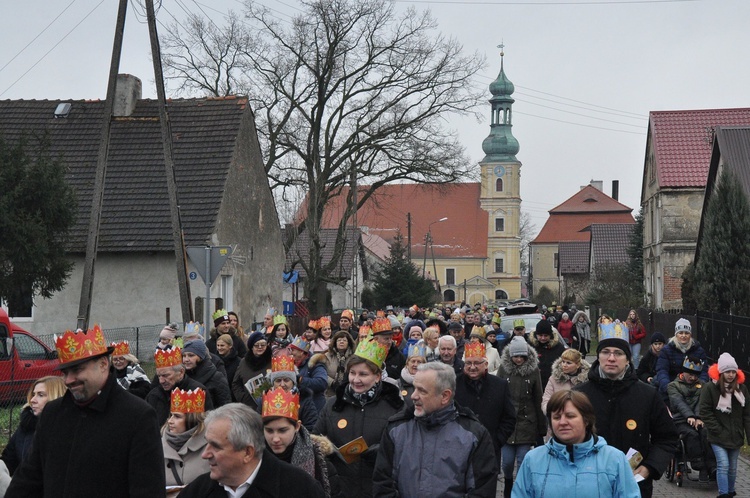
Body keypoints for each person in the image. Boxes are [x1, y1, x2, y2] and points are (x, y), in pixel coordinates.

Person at [7, 325, 166, 497]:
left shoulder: (138, 416)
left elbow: (148, 490)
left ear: (104, 364)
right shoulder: (53, 414)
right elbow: (28, 478)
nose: (68, 380)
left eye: (77, 370)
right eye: (65, 372)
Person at [574, 320, 678, 498]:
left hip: (634, 486)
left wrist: (648, 468)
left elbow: (667, 438)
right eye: (606, 352)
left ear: (628, 360)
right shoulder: (579, 396)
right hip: (587, 486)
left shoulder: (648, 395)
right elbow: (563, 440)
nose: (612, 358)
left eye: (618, 353)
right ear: (598, 357)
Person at [372, 362, 498, 497]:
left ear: (445, 396)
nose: (413, 396)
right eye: (414, 388)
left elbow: (481, 491)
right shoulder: (396, 429)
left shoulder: (473, 435)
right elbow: (383, 484)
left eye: (422, 391)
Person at [313, 334, 404, 497]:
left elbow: (405, 448)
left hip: (379, 490)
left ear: (377, 377)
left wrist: (383, 450)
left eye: (363, 374)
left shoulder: (395, 407)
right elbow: (314, 440)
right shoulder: (332, 405)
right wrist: (327, 449)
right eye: (352, 373)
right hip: (341, 490)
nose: (355, 380)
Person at [178, 403, 325, 498]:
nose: (205, 454)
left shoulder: (300, 489)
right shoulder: (196, 491)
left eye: (216, 446)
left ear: (248, 453)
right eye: (207, 444)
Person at [513, 390, 641, 498]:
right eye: (557, 417)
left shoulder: (614, 459)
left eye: (570, 416)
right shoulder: (533, 459)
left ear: (586, 420)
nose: (562, 422)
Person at [261, 388, 340, 497]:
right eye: (269, 431)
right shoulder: (253, 459)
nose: (275, 439)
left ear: (297, 426)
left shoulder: (319, 461)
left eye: (282, 430)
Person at [454, 340, 516, 474]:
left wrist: (497, 441)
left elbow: (509, 417)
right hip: (459, 450)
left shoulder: (500, 385)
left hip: (490, 450)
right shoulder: (455, 384)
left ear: (486, 364)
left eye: (477, 363)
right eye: (468, 363)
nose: (472, 367)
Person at [497, 336, 547, 498]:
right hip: (507, 423)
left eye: (522, 356)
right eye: (515, 356)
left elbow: (538, 396)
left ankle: (521, 489)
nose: (518, 359)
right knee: (507, 461)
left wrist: (541, 427)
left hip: (527, 422)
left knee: (523, 459)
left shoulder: (533, 371)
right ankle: (508, 482)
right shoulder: (504, 370)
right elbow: (496, 392)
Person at [698, 352, 750, 498]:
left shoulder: (742, 390)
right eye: (728, 371)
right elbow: (705, 411)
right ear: (721, 372)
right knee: (723, 465)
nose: (731, 375)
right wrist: (717, 429)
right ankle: (723, 494)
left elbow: (747, 415)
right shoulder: (709, 388)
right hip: (717, 435)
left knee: (733, 468)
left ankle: (730, 491)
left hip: (735, 435)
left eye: (733, 371)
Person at [1, 376, 66, 475]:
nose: (32, 400)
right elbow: (8, 462)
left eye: (40, 395)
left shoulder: (67, 429)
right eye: (33, 394)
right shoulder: (26, 427)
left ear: (56, 396)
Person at [667, 356, 715, 482]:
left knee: (706, 432)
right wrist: (690, 416)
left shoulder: (703, 386)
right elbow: (678, 402)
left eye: (696, 375)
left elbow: (702, 402)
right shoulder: (673, 386)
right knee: (691, 434)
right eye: (690, 374)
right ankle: (698, 463)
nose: (693, 378)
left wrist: (698, 417)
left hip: (699, 419)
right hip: (680, 420)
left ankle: (711, 465)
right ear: (683, 372)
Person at [147, 346, 214, 426]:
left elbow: (208, 423)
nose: (161, 381)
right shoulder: (154, 395)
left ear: (181, 372)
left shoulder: (198, 391)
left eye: (166, 375)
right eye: (159, 376)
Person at [162, 388, 210, 494]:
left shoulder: (211, 447)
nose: (170, 421)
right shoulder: (157, 447)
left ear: (191, 420)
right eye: (171, 415)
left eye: (177, 416)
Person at [656, 318, 709, 403]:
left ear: (690, 334)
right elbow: (662, 370)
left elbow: (704, 371)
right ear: (676, 334)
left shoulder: (699, 350)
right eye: (680, 333)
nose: (683, 335)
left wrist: (700, 386)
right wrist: (668, 387)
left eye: (686, 333)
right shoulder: (666, 350)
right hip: (672, 387)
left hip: (694, 388)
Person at [267, 354, 319, 431]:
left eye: (286, 380)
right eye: (278, 381)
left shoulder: (305, 401)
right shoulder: (264, 401)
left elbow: (312, 427)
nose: (282, 384)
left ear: (293, 382)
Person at [183, 339, 232, 408]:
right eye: (184, 356)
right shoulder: (183, 376)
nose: (186, 359)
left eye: (191, 355)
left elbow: (225, 406)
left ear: (201, 357)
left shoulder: (217, 377)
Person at [541, 348, 590, 414]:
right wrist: (552, 413)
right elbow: (546, 399)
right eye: (563, 361)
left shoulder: (587, 380)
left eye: (568, 363)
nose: (564, 365)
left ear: (577, 365)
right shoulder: (554, 378)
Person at [232, 331, 272, 408]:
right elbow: (236, 383)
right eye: (257, 345)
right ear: (252, 347)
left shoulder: (272, 361)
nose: (260, 347)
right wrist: (242, 398)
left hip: (269, 405)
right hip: (248, 405)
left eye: (263, 345)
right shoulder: (244, 362)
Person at [290, 336, 329, 412]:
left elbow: (322, 383)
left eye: (293, 350)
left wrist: (300, 379)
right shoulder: (292, 364)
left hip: (315, 407)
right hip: (299, 408)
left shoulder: (315, 364)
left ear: (301, 352)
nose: (291, 352)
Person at [528, 319, 565, 389]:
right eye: (540, 335)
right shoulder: (530, 346)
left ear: (550, 335)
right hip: (534, 383)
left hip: (553, 383)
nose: (543, 338)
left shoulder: (558, 348)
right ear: (536, 335)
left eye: (546, 335)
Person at [319, 330, 355, 397]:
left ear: (349, 343)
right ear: (335, 343)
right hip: (329, 393)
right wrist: (332, 383)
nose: (341, 342)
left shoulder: (354, 357)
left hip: (349, 392)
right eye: (339, 340)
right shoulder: (327, 356)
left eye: (344, 340)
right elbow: (321, 373)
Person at [371, 317, 405, 382]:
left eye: (390, 338)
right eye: (386, 339)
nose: (390, 342)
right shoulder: (365, 355)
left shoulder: (399, 356)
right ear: (375, 339)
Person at [215, 334, 240, 398]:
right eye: (218, 345)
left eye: (222, 345)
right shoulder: (214, 361)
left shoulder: (238, 362)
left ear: (230, 346)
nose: (219, 348)